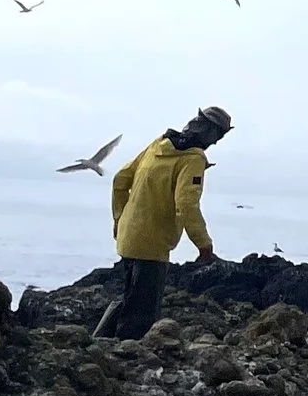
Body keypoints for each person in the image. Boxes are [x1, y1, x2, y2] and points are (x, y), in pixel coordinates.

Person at [91, 105, 231, 340]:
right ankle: (126, 352)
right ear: (211, 132)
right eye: (219, 136)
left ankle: (98, 342)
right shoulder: (193, 158)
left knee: (130, 297)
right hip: (153, 244)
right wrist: (203, 244)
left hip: (128, 236)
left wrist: (119, 219)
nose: (216, 142)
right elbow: (186, 204)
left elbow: (120, 180)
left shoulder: (159, 143)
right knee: (142, 312)